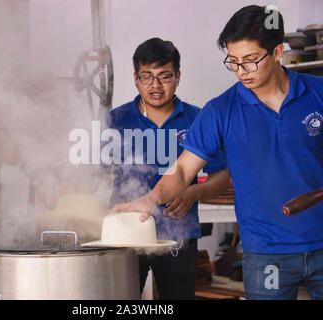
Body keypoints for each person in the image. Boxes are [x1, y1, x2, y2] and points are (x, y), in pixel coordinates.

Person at [112, 6, 323, 300]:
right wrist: (151, 199)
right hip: (266, 252)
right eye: (233, 61)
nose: (240, 71)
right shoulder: (219, 111)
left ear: (277, 52)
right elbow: (184, 170)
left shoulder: (318, 94)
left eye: (250, 61)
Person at [105, 38, 230, 299]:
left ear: (178, 76)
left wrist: (193, 194)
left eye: (164, 76)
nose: (155, 86)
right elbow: (94, 174)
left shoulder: (198, 119)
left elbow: (222, 176)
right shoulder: (115, 120)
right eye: (147, 77)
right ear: (136, 78)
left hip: (178, 235)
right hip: (125, 234)